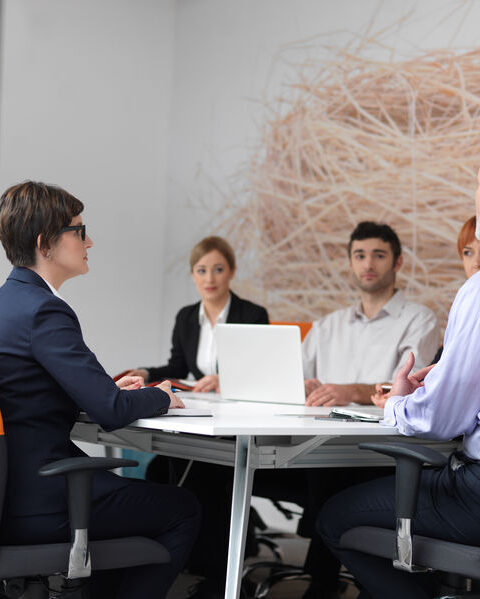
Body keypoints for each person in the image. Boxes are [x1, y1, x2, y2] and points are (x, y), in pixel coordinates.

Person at [0, 181, 200, 599]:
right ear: (46, 244)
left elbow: (28, 390)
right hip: (43, 499)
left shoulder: (10, 303)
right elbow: (110, 411)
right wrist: (162, 395)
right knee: (184, 509)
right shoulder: (45, 311)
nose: (90, 240)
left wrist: (101, 387)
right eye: (79, 230)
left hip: (13, 491)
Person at [317, 170, 480, 599]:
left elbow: (439, 421)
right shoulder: (328, 324)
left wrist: (401, 403)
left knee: (334, 517)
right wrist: (445, 381)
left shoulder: (476, 293)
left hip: (474, 494)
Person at [303, 221, 440, 407]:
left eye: (379, 256)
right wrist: (302, 387)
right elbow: (292, 378)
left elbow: (408, 388)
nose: (368, 265)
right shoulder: (326, 325)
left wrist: (351, 392)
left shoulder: (420, 320)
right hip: (313, 427)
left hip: (382, 430)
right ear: (350, 263)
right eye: (360, 256)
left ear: (397, 262)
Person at [129, 235, 269, 392]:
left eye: (218, 270)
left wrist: (224, 380)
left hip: (240, 404)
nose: (209, 279)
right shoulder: (185, 316)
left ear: (232, 271)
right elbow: (177, 369)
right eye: (201, 271)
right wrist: (146, 373)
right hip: (200, 403)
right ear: (193, 275)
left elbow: (261, 370)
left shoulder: (254, 315)